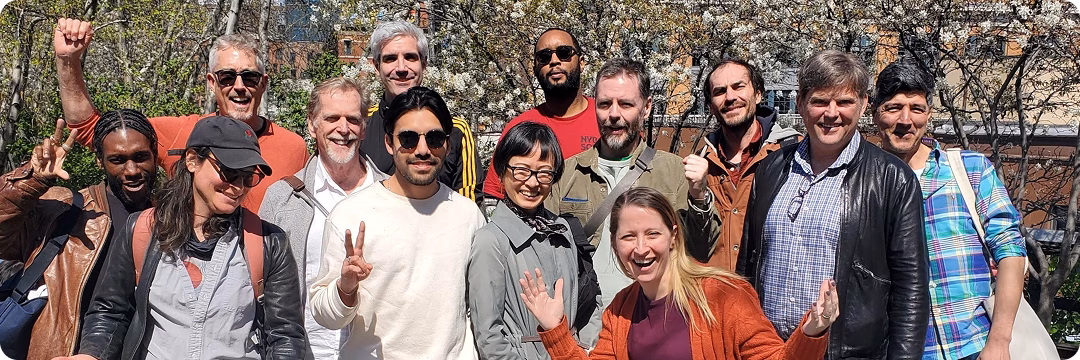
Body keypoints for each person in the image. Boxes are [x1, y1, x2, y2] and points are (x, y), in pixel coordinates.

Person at [61, 116, 307, 360]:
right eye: (230, 172)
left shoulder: (269, 242)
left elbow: (284, 335)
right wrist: (92, 354)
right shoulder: (142, 231)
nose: (239, 187)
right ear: (192, 160)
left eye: (248, 177)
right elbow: (111, 311)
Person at [737, 50, 929, 359]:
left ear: (864, 105)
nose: (831, 113)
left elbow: (911, 292)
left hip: (846, 352)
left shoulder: (892, 179)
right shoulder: (771, 170)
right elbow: (747, 267)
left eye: (844, 102)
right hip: (769, 349)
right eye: (820, 101)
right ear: (800, 104)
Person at [519, 187, 836, 359]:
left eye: (652, 234)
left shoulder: (723, 295)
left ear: (673, 236)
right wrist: (555, 330)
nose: (640, 249)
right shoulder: (619, 312)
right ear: (614, 245)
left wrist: (812, 332)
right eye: (628, 237)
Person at [53, 18, 307, 212]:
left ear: (262, 83)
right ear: (211, 82)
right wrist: (67, 60)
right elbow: (90, 129)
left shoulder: (294, 148)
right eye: (227, 77)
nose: (239, 86)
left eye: (249, 77)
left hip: (263, 274)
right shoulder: (182, 133)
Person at [310, 87, 485, 360]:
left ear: (447, 144)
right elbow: (325, 315)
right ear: (390, 143)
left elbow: (477, 307)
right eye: (408, 139)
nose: (423, 150)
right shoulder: (351, 215)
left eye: (435, 138)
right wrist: (345, 288)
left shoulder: (468, 215)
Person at [870, 60, 1026, 360]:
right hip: (904, 351)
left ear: (928, 113)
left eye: (916, 108)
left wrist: (999, 342)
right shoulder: (864, 181)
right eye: (893, 107)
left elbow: (1010, 251)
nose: (905, 120)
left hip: (976, 345)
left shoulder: (971, 170)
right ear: (875, 111)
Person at [545, 58, 719, 313]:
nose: (614, 114)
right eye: (605, 104)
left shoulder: (673, 172)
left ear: (646, 108)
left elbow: (702, 250)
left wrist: (699, 194)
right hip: (584, 321)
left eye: (625, 104)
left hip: (655, 318)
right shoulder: (567, 173)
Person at [0, 110, 157, 360]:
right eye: (117, 159)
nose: (132, 170)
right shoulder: (63, 207)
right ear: (99, 160)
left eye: (140, 157)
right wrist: (32, 180)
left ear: (155, 153)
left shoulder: (171, 221)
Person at [260, 77, 388, 360]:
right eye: (332, 118)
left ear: (364, 127)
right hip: (304, 352)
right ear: (312, 124)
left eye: (353, 120)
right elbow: (260, 285)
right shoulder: (282, 199)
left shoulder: (391, 196)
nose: (343, 129)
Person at [467, 121, 600, 359]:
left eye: (544, 173)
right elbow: (489, 337)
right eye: (521, 170)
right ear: (501, 170)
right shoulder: (491, 241)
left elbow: (590, 300)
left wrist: (585, 348)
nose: (532, 182)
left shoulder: (563, 229)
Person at [696, 59, 799, 271]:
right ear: (711, 107)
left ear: (758, 94)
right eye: (720, 91)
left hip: (767, 296)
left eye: (738, 87)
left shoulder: (792, 154)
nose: (730, 97)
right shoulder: (701, 163)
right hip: (716, 296)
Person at [359, 20, 479, 201]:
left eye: (410, 57)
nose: (401, 68)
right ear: (377, 67)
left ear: (424, 64)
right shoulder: (360, 125)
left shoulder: (455, 130)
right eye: (390, 59)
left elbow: (469, 207)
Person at [481, 28, 601, 200]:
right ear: (535, 68)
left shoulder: (608, 120)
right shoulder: (519, 128)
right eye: (544, 57)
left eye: (564, 53)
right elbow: (497, 197)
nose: (554, 61)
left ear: (581, 62)